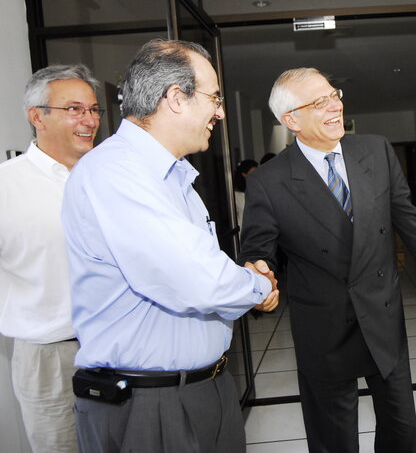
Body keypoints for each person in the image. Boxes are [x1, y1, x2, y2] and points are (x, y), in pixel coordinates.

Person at [239, 67, 416, 453]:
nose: (335, 106)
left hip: (382, 316)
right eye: (319, 102)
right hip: (324, 328)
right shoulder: (268, 181)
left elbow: (411, 222)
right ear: (291, 120)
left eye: (333, 94)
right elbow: (258, 250)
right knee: (335, 440)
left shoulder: (375, 150)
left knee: (401, 431)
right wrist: (260, 277)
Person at [61, 39, 279, 453]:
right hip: (149, 406)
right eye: (214, 97)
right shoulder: (116, 172)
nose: (220, 111)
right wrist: (258, 286)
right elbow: (199, 280)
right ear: (175, 98)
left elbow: (203, 267)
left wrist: (243, 283)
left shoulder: (174, 175)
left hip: (201, 388)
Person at [0, 64, 100, 453]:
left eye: (93, 110)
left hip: (121, 347)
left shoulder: (107, 177)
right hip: (51, 358)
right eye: (74, 109)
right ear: (36, 116)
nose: (89, 120)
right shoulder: (8, 186)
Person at [234, 158, 258, 224]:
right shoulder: (235, 196)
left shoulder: (258, 191)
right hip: (243, 230)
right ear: (244, 174)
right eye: (253, 172)